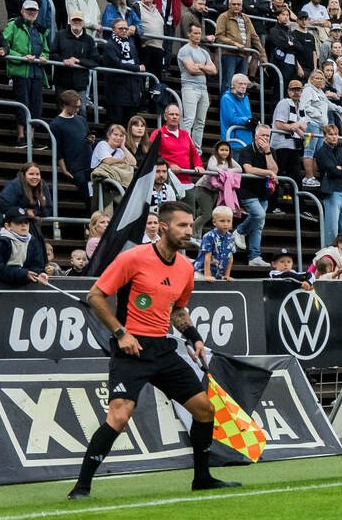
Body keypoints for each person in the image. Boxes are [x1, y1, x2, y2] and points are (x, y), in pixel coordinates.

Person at [69, 200, 240, 499]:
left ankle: (202, 478)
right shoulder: (133, 258)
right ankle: (81, 487)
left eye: (191, 225)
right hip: (131, 350)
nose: (189, 231)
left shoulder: (186, 268)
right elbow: (95, 296)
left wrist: (194, 336)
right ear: (163, 227)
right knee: (120, 417)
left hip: (162, 348)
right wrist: (121, 333)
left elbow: (179, 310)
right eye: (182, 226)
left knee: (204, 410)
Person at [4, 0, 49, 147]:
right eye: (28, 10)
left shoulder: (41, 29)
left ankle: (32, 138)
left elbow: (46, 50)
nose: (31, 13)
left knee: (35, 105)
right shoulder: (13, 26)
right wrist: (21, 57)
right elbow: (4, 46)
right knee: (22, 103)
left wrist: (44, 57)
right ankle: (21, 137)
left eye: (34, 10)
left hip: (36, 72)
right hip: (20, 71)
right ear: (22, 11)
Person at [236, 124, 278, 269]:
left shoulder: (271, 151)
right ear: (255, 136)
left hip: (263, 193)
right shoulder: (247, 150)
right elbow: (248, 169)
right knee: (259, 215)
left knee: (258, 225)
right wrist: (268, 173)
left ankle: (254, 256)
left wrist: (267, 153)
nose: (265, 139)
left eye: (268, 136)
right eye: (263, 136)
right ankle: (239, 231)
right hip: (247, 190)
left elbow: (274, 169)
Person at [0, 208, 50, 285]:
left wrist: (39, 273)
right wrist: (23, 274)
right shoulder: (1, 241)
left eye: (26, 222)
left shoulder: (32, 241)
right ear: (7, 226)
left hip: (17, 283)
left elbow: (35, 265)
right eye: (18, 222)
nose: (23, 225)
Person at [177, 21, 215, 146]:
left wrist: (199, 66)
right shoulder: (184, 50)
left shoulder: (204, 52)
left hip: (203, 89)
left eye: (199, 33)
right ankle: (185, 148)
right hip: (190, 87)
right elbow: (191, 70)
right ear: (189, 34)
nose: (198, 36)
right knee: (188, 120)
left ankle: (197, 151)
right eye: (195, 33)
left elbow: (214, 70)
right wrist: (205, 68)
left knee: (200, 122)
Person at [196, 205, 235, 281]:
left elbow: (230, 258)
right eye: (222, 221)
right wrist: (207, 275)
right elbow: (207, 257)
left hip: (218, 274)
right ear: (214, 222)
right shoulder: (209, 236)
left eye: (229, 221)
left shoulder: (231, 237)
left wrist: (227, 275)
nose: (226, 224)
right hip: (201, 273)